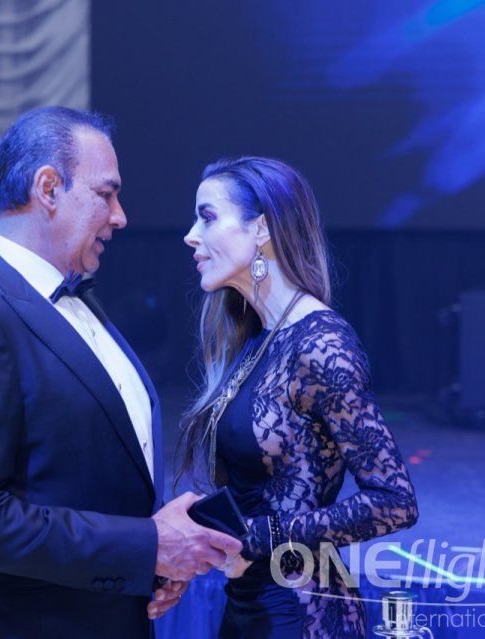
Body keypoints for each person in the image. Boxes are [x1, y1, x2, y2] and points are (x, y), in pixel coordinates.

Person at [0, 106, 241, 639]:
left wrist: (155, 557)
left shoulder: (74, 299)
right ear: (48, 189)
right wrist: (149, 545)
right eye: (106, 194)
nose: (120, 216)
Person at [178, 156, 419, 638]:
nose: (190, 236)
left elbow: (395, 502)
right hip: (248, 603)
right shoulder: (257, 337)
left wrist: (264, 536)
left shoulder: (321, 342)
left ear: (261, 228)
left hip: (300, 611)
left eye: (207, 217)